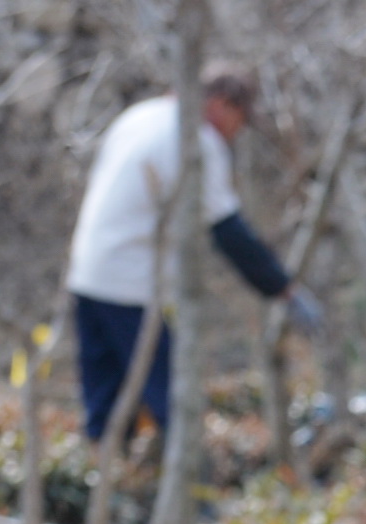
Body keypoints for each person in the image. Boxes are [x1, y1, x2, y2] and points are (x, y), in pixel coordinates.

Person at [65, 64, 321, 444]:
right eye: (240, 118)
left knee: (105, 404)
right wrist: (283, 289)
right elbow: (229, 232)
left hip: (86, 273)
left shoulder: (139, 115)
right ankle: (190, 498)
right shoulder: (195, 141)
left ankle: (109, 485)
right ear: (220, 104)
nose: (237, 131)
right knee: (172, 401)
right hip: (131, 284)